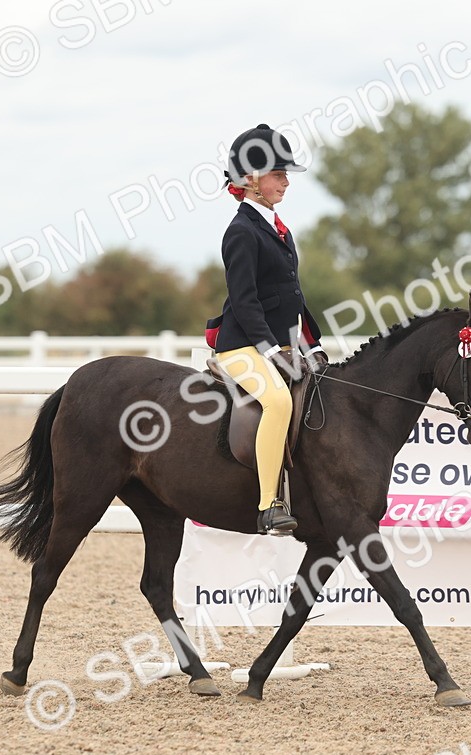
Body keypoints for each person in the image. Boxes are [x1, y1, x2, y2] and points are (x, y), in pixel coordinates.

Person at [204, 123, 327, 535]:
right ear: (252, 180)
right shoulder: (240, 232)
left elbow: (292, 294)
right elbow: (245, 300)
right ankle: (268, 504)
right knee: (277, 401)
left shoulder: (279, 229)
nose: (286, 183)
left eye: (285, 175)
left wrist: (312, 342)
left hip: (280, 343)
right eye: (279, 174)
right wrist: (271, 351)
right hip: (242, 347)